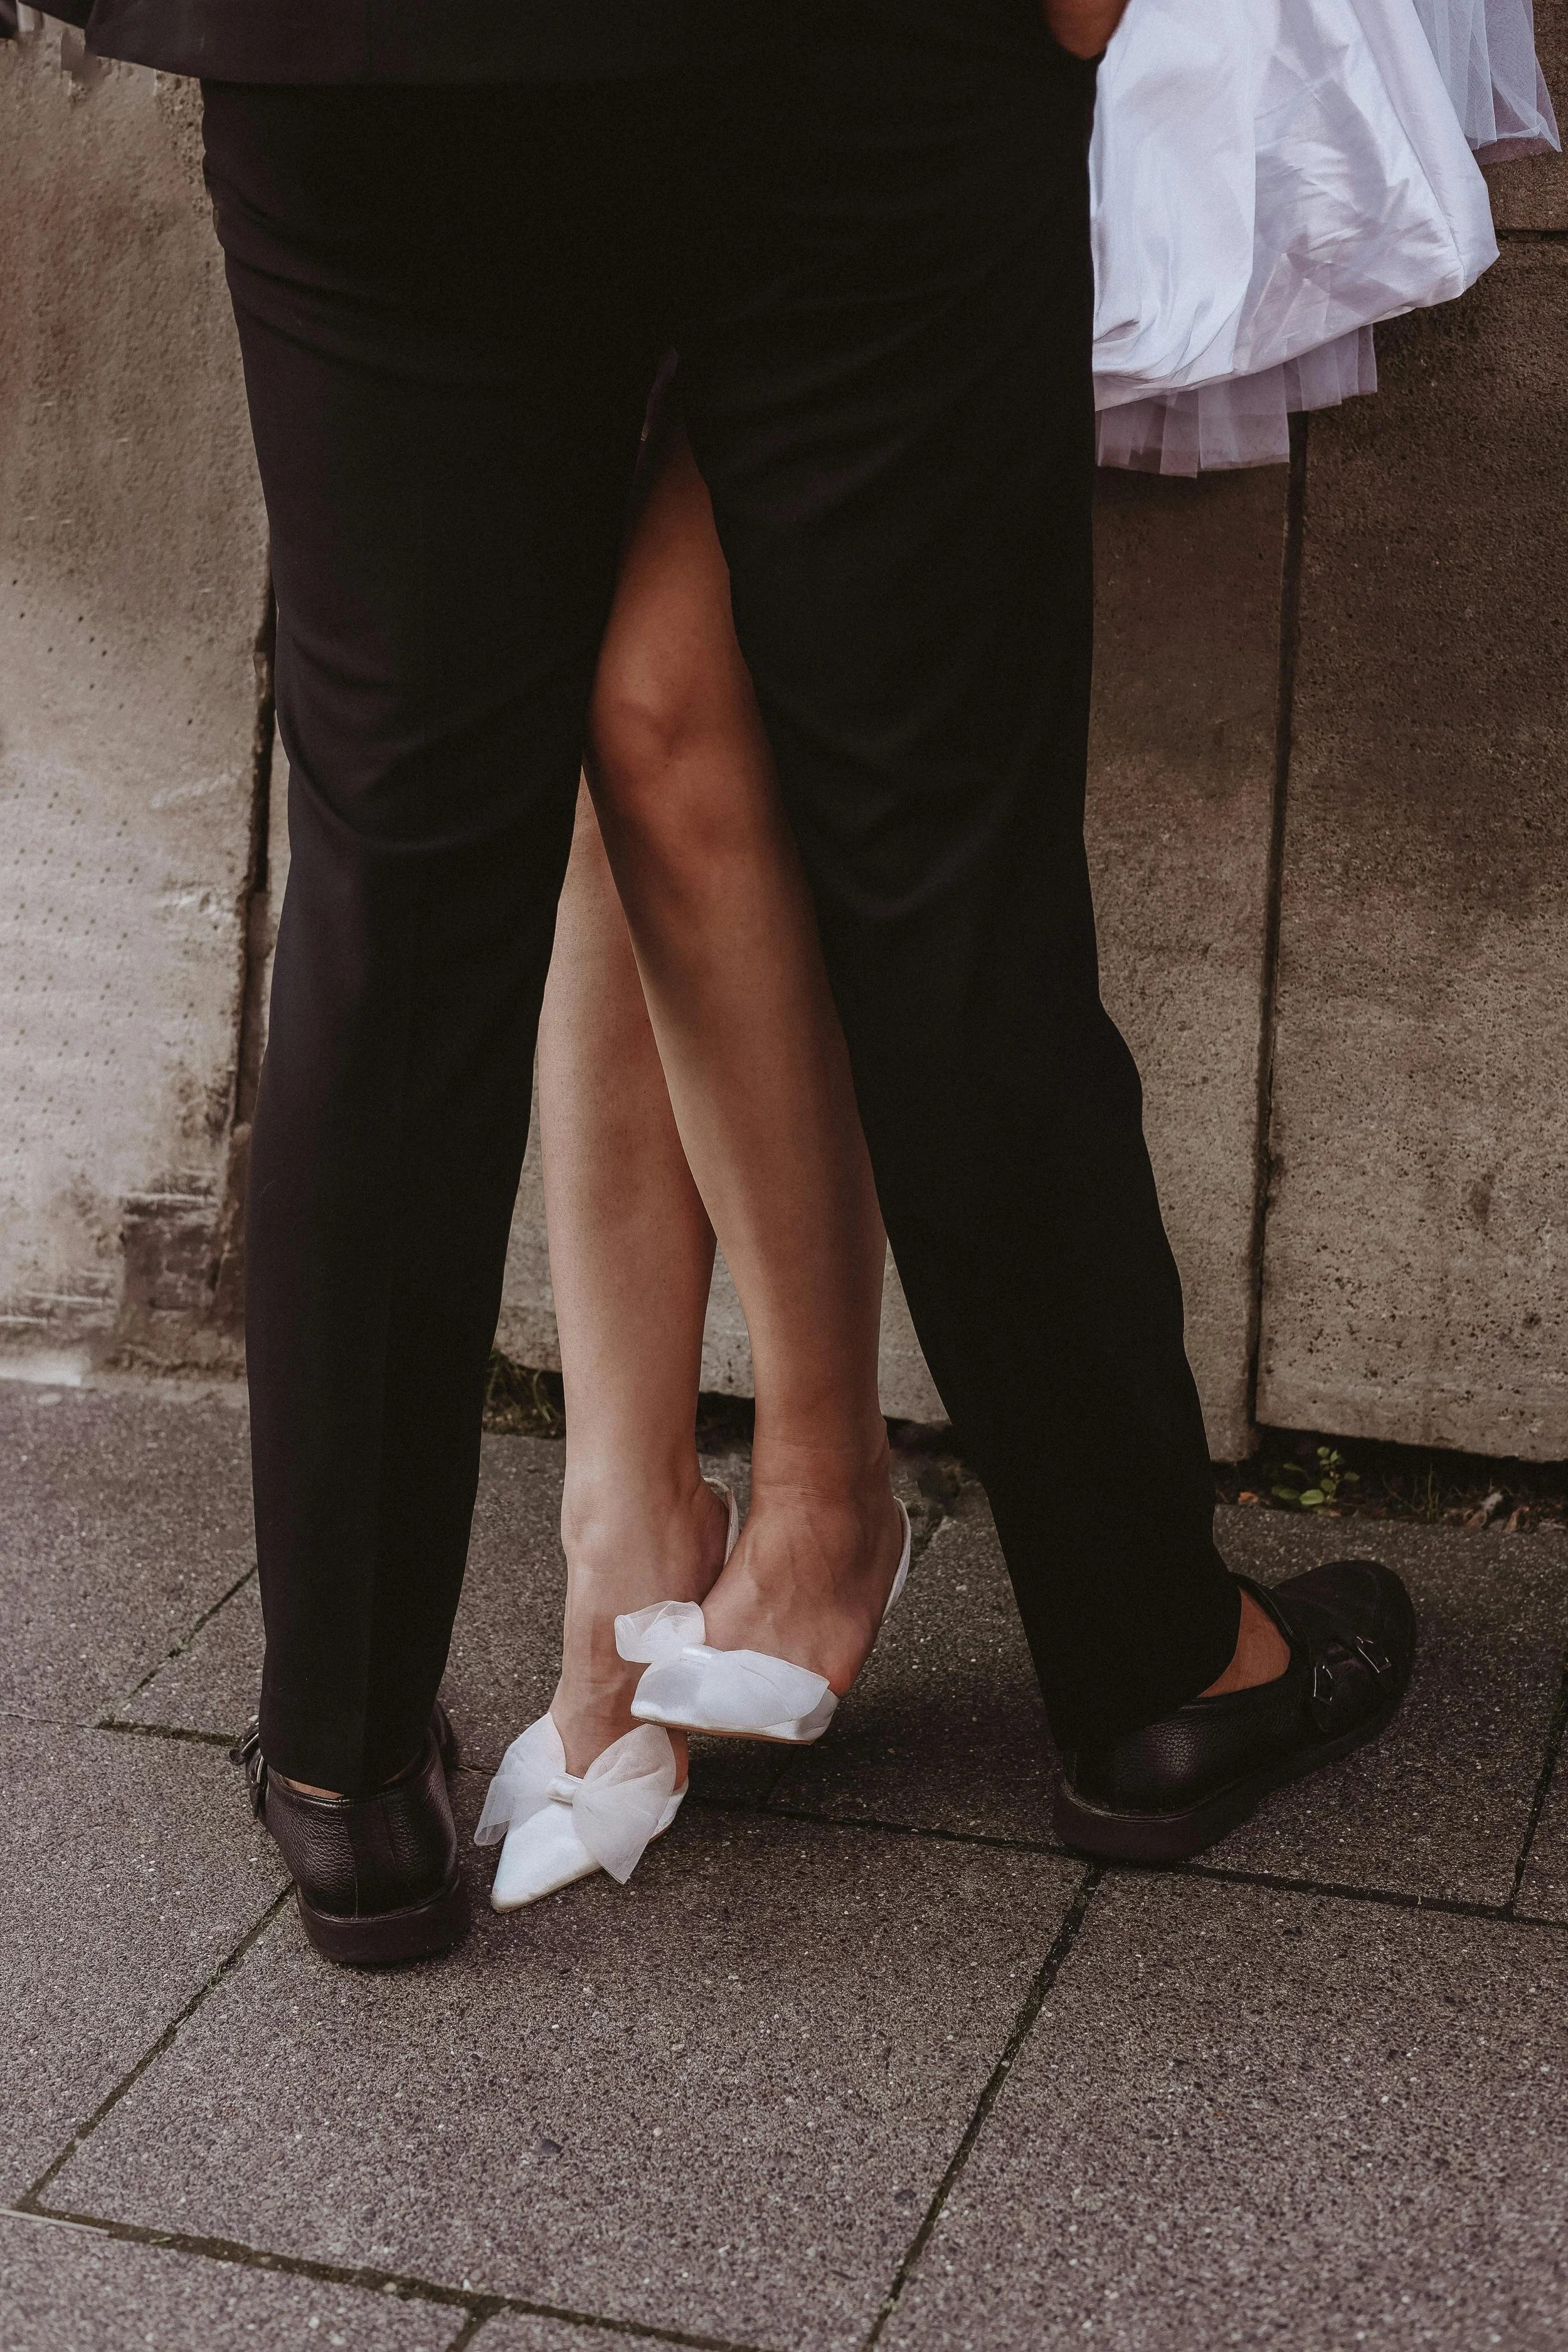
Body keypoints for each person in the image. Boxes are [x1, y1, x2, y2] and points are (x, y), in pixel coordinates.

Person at [56, 0, 1415, 1963]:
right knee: (942, 864)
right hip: (851, 44)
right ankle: (1153, 1665)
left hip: (364, 43)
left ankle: (344, 1768)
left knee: (403, 881)